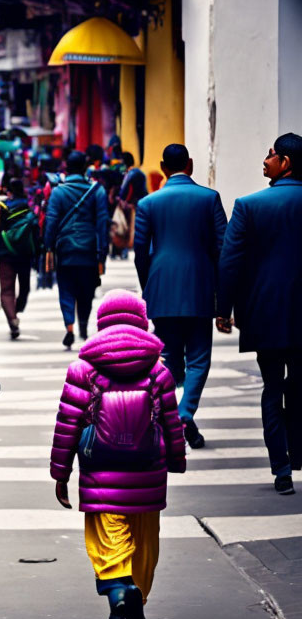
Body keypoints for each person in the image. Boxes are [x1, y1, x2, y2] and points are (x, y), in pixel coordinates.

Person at [50, 290, 185, 619]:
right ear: (142, 322)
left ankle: (118, 593)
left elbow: (68, 425)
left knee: (108, 538)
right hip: (148, 472)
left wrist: (60, 474)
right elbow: (172, 422)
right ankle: (136, 591)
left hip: (100, 475)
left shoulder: (83, 370)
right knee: (144, 541)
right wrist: (177, 460)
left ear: (101, 323)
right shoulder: (159, 371)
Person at [217, 133, 302, 495]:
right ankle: (297, 453)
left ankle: (280, 468)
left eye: (270, 155)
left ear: (285, 163)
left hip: (265, 313)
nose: (264, 161)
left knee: (272, 387)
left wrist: (224, 309)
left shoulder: (249, 206)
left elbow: (230, 263)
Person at [134, 144, 227, 450]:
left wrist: (149, 287)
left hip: (162, 288)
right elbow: (222, 249)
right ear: (190, 164)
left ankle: (176, 415)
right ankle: (185, 414)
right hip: (200, 286)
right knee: (199, 358)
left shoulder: (148, 203)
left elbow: (140, 253)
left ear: (163, 168)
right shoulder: (209, 198)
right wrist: (222, 293)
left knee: (170, 360)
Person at [44, 151, 110, 348]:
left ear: (67, 168)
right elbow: (102, 223)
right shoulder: (97, 191)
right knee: (87, 290)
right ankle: (82, 324)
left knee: (66, 288)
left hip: (65, 248)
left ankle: (69, 327)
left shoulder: (58, 192)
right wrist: (103, 252)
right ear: (84, 169)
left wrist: (48, 246)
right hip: (89, 249)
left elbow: (51, 221)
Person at [0, 179, 37, 339]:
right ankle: (18, 308)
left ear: (8, 191)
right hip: (24, 252)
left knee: (7, 289)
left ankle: (13, 320)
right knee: (24, 287)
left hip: (4, 251)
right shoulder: (31, 205)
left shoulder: (1, 206)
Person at [112, 152, 148, 258]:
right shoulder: (141, 173)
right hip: (140, 204)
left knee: (124, 227)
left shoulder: (130, 174)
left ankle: (123, 250)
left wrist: (122, 200)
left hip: (129, 205)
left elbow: (125, 190)